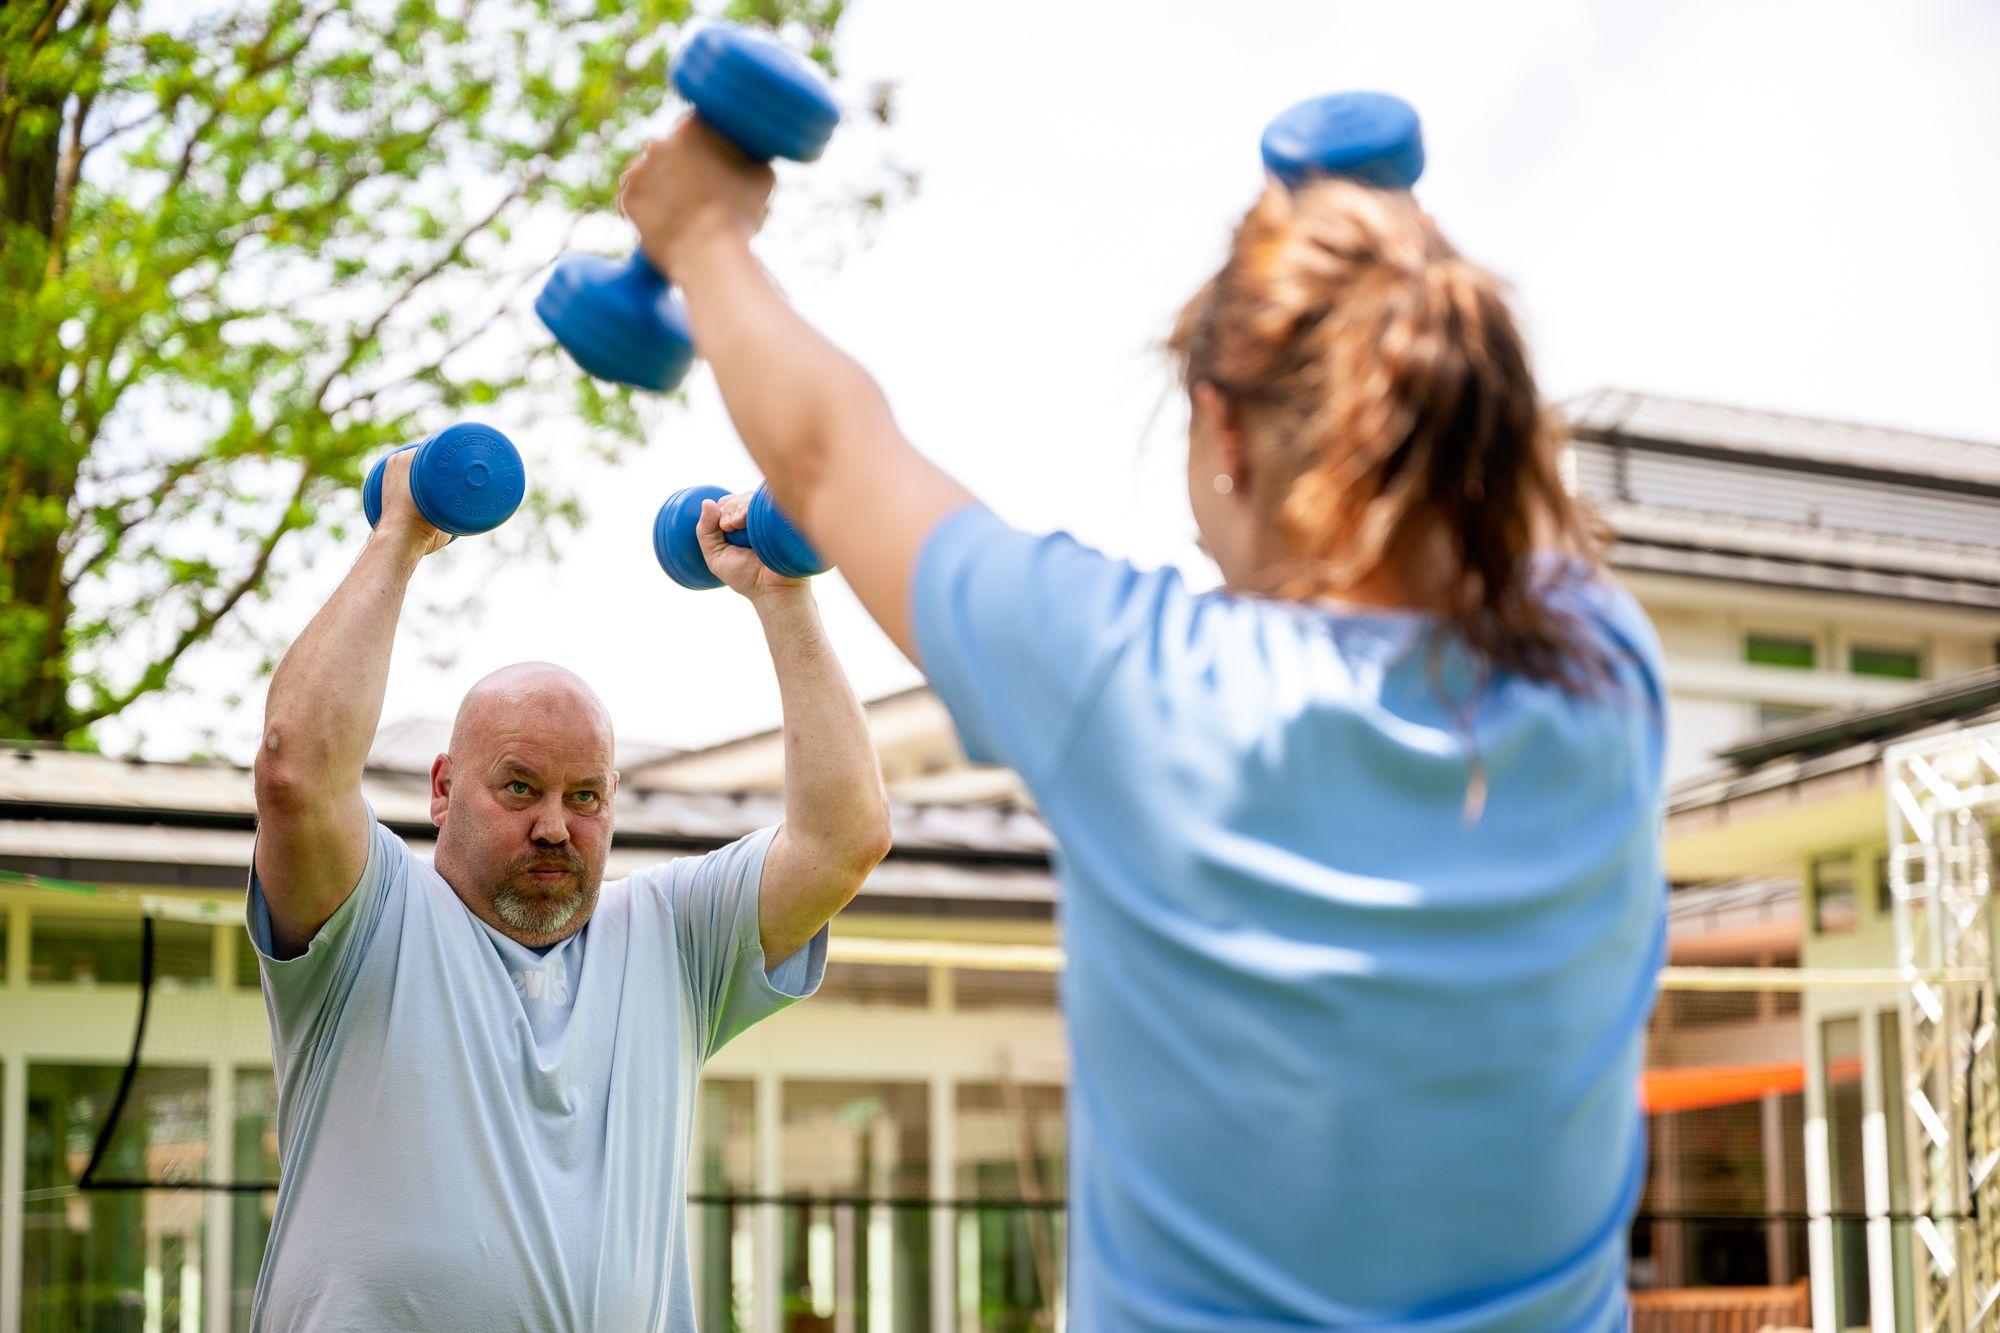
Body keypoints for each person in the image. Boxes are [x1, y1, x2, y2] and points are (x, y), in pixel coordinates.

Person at [616, 122, 1667, 1329]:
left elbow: (828, 453)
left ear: (1224, 433)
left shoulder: (1146, 685)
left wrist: (702, 236)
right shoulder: (1602, 674)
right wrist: (1381, 264)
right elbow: (1499, 480)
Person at [246, 460, 891, 1330]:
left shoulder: (669, 938)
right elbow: (295, 770)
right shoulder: (371, 918)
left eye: (585, 796)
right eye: (519, 787)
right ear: (443, 789)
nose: (555, 825)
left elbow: (844, 839)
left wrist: (784, 596)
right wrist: (399, 534)